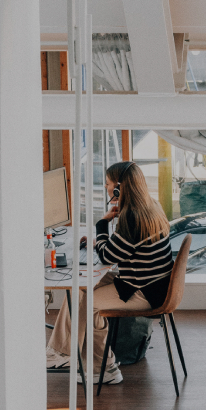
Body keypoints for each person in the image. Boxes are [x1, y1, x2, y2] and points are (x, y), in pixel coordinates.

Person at [47, 161, 173, 385]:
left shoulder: (132, 217)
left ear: (118, 189)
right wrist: (100, 242)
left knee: (87, 301)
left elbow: (108, 257)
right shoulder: (151, 206)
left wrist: (102, 224)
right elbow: (118, 249)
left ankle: (99, 367)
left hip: (142, 292)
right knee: (81, 287)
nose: (105, 188)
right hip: (149, 283)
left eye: (107, 184)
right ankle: (64, 352)